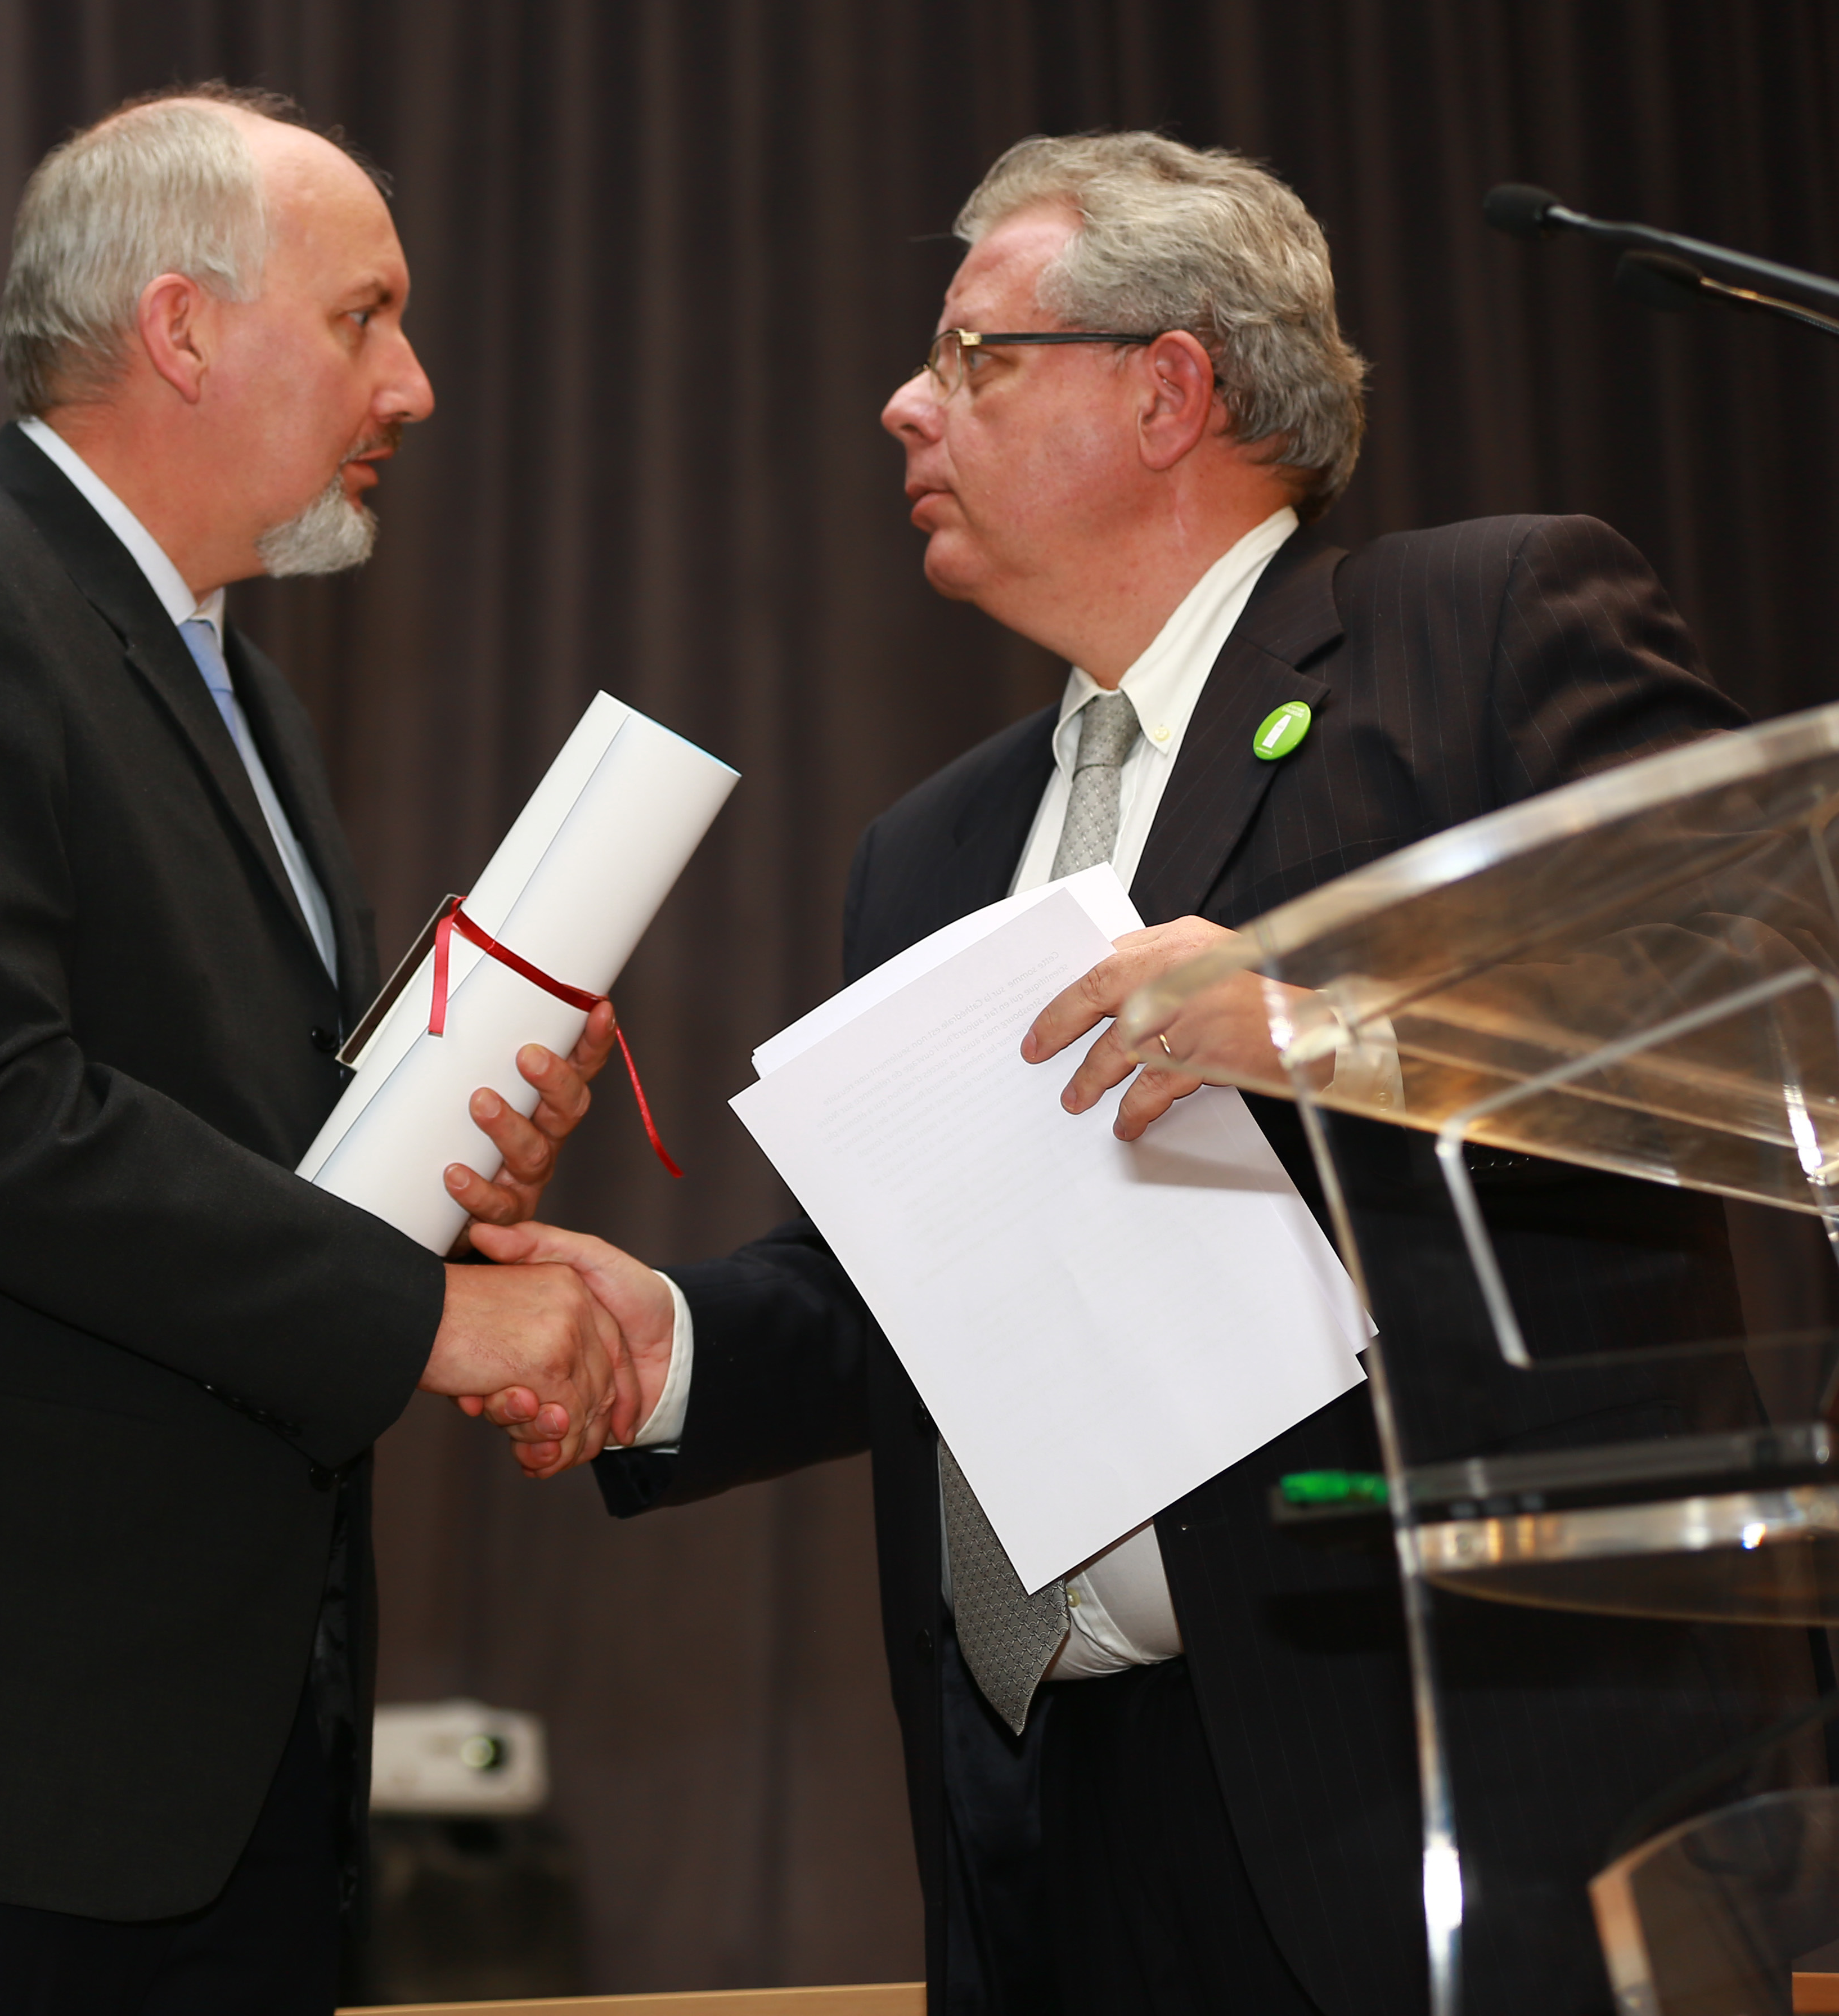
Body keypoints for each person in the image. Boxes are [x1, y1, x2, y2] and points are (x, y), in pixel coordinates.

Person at [473, 132, 1814, 2015]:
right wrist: (660, 1345)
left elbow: (1760, 1000)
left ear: (1169, 386)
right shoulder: (928, 848)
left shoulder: (1480, 632)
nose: (902, 406)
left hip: (1458, 1805)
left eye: (970, 357)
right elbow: (925, 1307)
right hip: (1061, 1823)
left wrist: (1334, 1021)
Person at [0, 84, 637, 2016]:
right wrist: (415, 1322)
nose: (408, 387)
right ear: (179, 329)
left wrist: (432, 1146)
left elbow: (208, 1135)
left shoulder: (234, 685)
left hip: (199, 1765)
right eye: (363, 318)